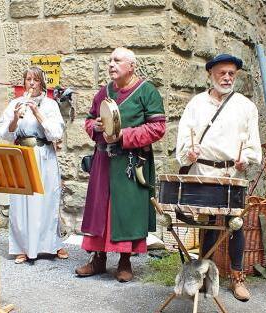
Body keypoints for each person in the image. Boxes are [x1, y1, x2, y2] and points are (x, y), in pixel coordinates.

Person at [175, 53, 262, 301]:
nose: (226, 78)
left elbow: (252, 143)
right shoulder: (196, 104)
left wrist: (245, 158)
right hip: (202, 171)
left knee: (235, 224)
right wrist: (188, 153)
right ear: (210, 75)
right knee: (208, 223)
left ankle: (237, 277)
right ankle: (204, 274)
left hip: (231, 173)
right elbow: (184, 137)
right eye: (221, 73)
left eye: (231, 74)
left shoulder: (246, 106)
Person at [75, 47, 166, 282]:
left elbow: (158, 128)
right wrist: (93, 127)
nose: (111, 65)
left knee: (127, 212)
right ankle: (99, 259)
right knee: (100, 210)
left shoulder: (147, 92)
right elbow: (89, 119)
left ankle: (125, 261)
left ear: (131, 66)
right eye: (110, 61)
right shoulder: (103, 92)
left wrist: (124, 135)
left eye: (117, 61)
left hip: (131, 163)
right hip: (104, 161)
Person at [0, 66, 68, 264]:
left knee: (45, 200)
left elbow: (55, 134)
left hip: (43, 155)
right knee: (21, 202)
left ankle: (50, 245)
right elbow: (5, 133)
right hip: (22, 154)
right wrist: (14, 118)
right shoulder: (15, 103)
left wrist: (37, 112)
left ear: (42, 83)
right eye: (28, 79)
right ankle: (22, 247)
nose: (31, 83)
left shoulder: (50, 105)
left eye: (35, 80)